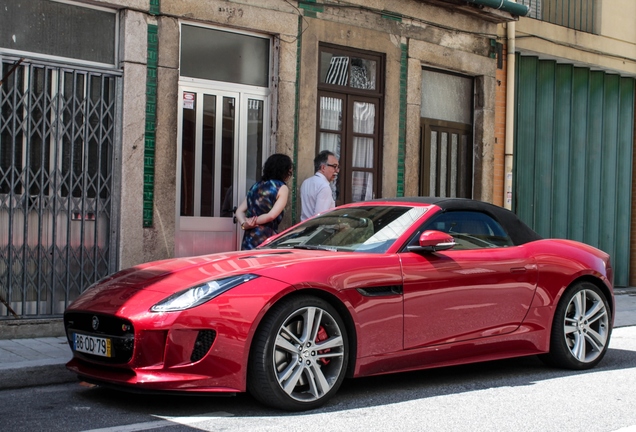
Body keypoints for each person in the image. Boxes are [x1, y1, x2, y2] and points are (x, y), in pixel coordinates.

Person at [235, 153, 293, 250]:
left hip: (249, 238)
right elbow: (271, 215)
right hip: (266, 238)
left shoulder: (256, 186)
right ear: (284, 171)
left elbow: (239, 211)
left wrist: (245, 224)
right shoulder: (281, 187)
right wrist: (254, 221)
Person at [300, 150, 339, 221]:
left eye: (337, 167)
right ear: (323, 167)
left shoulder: (306, 182)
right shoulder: (324, 186)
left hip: (304, 229)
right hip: (318, 230)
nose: (337, 170)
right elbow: (320, 218)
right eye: (334, 166)